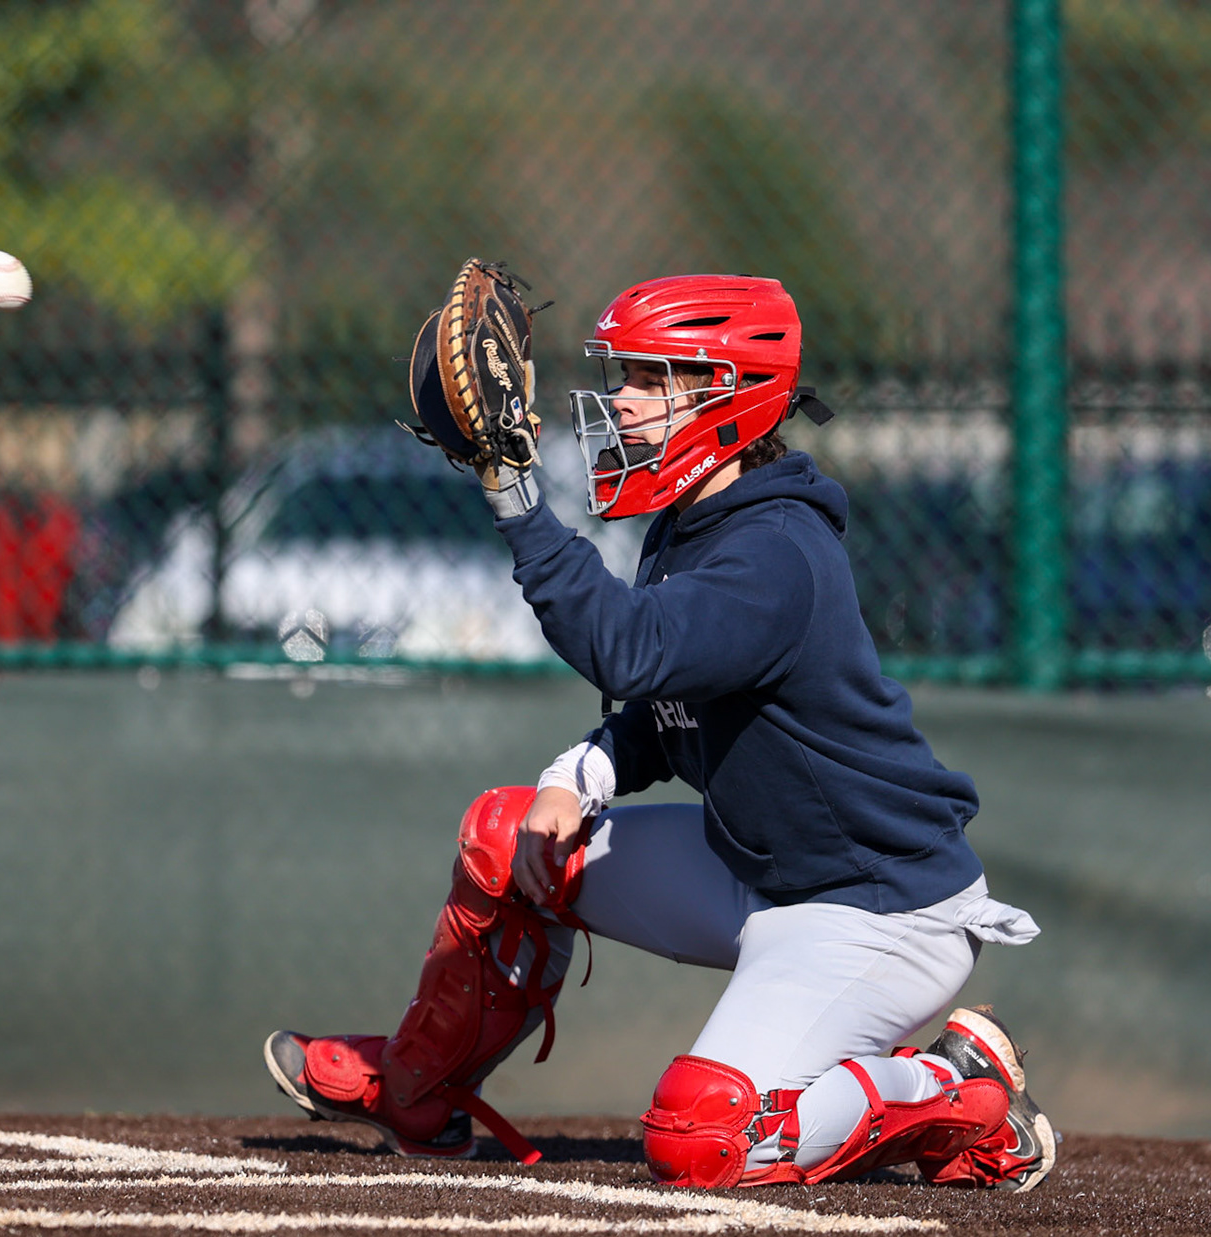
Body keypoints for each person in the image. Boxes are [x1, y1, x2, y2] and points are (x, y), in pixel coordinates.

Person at [264, 274, 1056, 1191]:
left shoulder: (778, 549)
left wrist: (515, 495)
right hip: (761, 870)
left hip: (876, 912)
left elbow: (631, 652)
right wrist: (579, 775)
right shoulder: (695, 522)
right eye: (625, 374)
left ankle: (962, 1089)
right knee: (507, 838)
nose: (624, 400)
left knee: (704, 1138)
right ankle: (415, 1087)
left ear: (732, 394)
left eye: (655, 377)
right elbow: (664, 704)